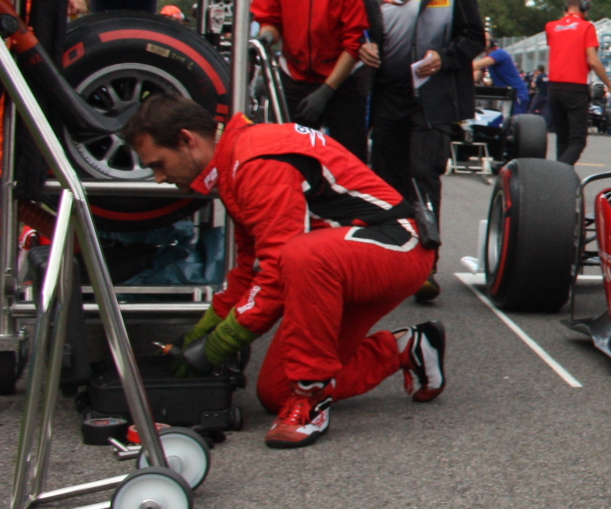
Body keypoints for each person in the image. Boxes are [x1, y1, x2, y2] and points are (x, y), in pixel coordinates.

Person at [127, 94, 445, 449]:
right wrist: (199, 334)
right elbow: (251, 269)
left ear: (187, 140)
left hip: (398, 247)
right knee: (276, 392)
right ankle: (407, 348)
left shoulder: (256, 161)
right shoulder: (235, 162)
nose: (159, 178)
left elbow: (277, 271)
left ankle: (310, 401)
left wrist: (219, 344)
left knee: (299, 256)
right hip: (342, 264)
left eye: (159, 164)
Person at [361, 0, 480, 306]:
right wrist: (364, 47)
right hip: (387, 95)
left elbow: (473, 37)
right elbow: (361, 28)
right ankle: (389, 260)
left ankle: (425, 265)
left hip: (434, 97)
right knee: (385, 180)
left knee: (423, 173)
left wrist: (444, 58)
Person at [251, 0, 370, 159]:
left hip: (343, 82)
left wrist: (326, 91)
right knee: (292, 158)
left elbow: (354, 42)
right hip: (294, 77)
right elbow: (269, 20)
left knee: (349, 160)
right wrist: (266, 38)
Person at [542, 0, 611, 165]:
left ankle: (562, 179)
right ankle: (559, 174)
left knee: (563, 139)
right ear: (584, 6)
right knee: (577, 140)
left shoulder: (551, 27)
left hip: (554, 88)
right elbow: (593, 61)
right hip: (575, 89)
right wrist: (610, 86)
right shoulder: (587, 27)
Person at [472, 31, 530, 112]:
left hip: (516, 94)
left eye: (484, 40)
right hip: (505, 94)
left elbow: (475, 65)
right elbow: (475, 77)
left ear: (492, 42)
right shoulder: (488, 57)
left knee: (513, 119)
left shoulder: (499, 53)